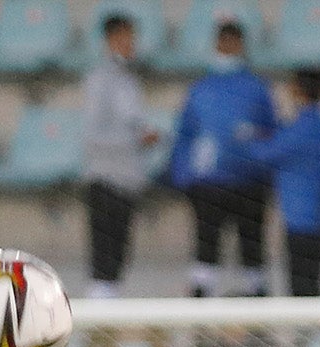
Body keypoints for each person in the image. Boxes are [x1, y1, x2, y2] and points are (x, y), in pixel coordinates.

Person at [170, 20, 278, 298]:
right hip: (209, 182)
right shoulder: (202, 89)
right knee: (207, 243)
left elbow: (271, 132)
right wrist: (183, 176)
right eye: (223, 42)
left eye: (232, 43)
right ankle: (201, 301)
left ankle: (257, 298)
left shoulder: (256, 88)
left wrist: (264, 168)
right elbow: (185, 134)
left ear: (241, 46)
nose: (227, 48)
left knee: (252, 244)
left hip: (249, 181)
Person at [82, 14, 161, 300]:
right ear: (110, 39)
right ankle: (98, 325)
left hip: (126, 180)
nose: (131, 44)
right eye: (125, 37)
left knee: (117, 261)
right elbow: (93, 136)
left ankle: (105, 329)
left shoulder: (127, 79)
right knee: (104, 261)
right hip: (106, 178)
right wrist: (136, 139)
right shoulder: (100, 81)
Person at [245, 70, 320, 298]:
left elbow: (265, 153)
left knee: (303, 281)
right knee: (305, 278)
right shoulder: (311, 123)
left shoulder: (305, 127)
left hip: (304, 216)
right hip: (307, 211)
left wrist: (244, 136)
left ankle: (308, 331)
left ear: (298, 91)